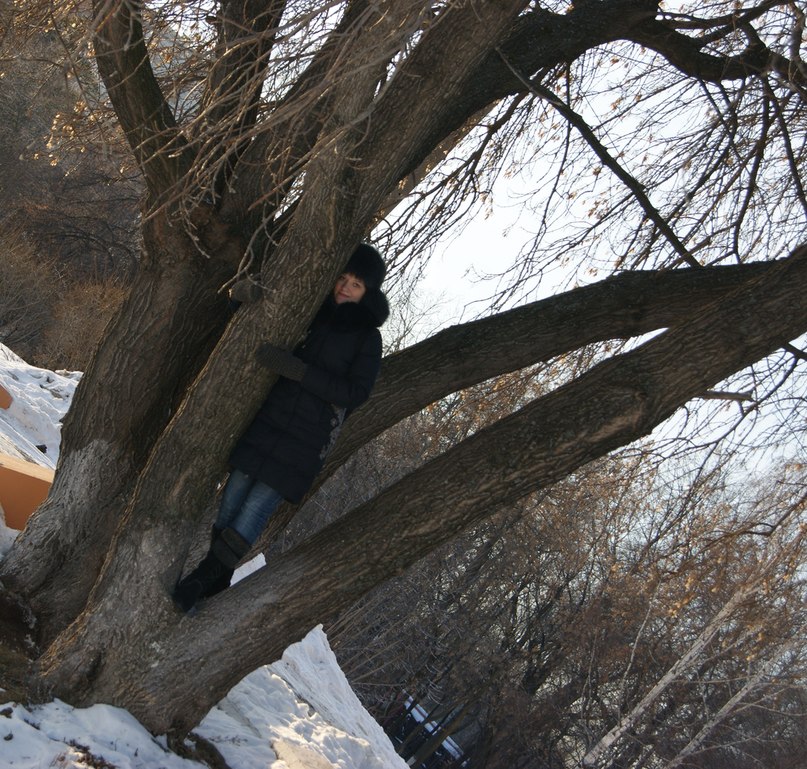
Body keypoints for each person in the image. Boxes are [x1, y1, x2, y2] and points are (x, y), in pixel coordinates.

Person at [173, 243, 389, 613]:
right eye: (343, 278)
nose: (344, 287)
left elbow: (355, 393)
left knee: (253, 509)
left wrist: (300, 372)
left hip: (306, 439)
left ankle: (201, 579)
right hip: (269, 419)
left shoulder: (368, 338)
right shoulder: (313, 310)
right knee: (231, 497)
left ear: (368, 292)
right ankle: (217, 577)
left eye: (355, 284)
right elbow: (262, 325)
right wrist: (238, 300)